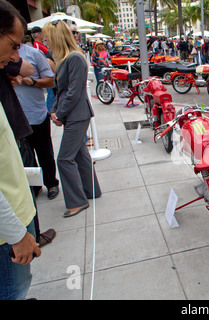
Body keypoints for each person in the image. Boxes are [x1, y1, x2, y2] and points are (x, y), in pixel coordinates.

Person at [0, 0, 42, 300]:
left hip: (14, 218)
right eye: (13, 45)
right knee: (13, 290)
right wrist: (17, 235)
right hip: (8, 230)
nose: (16, 55)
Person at [43, 20, 102, 218]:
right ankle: (91, 190)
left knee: (64, 159)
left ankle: (77, 201)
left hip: (77, 115)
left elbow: (73, 92)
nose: (45, 41)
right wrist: (55, 110)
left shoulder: (74, 58)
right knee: (79, 155)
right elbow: (61, 91)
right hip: (74, 115)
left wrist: (58, 113)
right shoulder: (67, 59)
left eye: (47, 37)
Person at [15, 42, 60, 201]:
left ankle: (51, 183)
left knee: (44, 152)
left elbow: (51, 81)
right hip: (15, 118)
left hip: (36, 114)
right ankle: (34, 186)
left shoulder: (34, 54)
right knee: (25, 156)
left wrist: (31, 82)